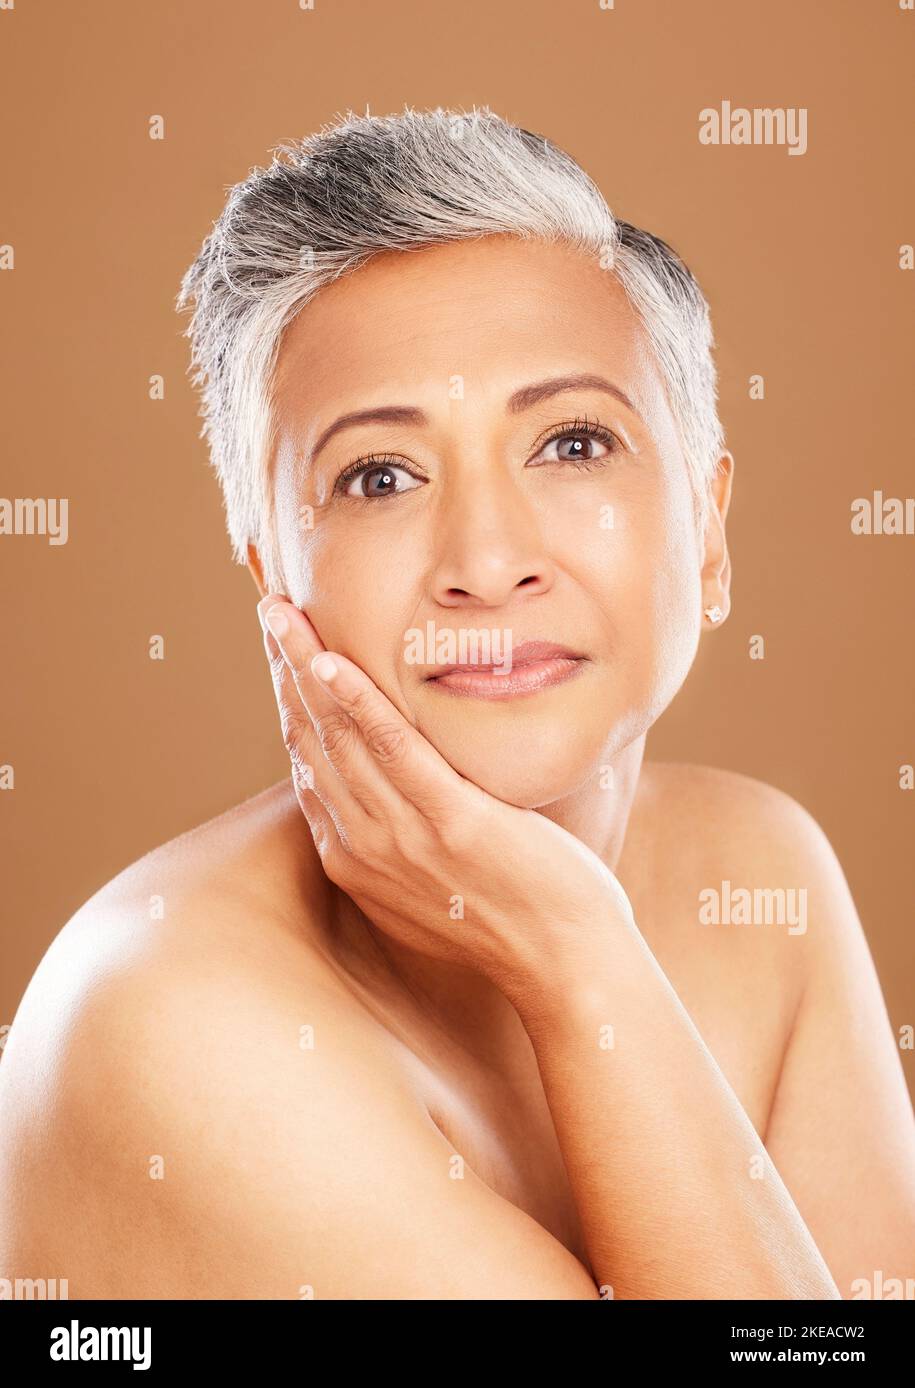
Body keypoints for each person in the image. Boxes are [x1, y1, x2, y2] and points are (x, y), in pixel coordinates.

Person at [1, 106, 912, 1301]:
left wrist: (573, 945)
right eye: (381, 475)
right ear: (273, 578)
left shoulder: (766, 872)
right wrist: (579, 955)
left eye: (574, 443)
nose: (487, 559)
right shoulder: (169, 1019)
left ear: (710, 535)